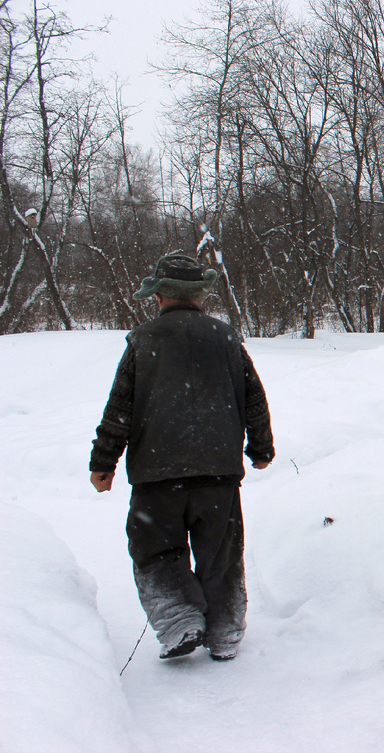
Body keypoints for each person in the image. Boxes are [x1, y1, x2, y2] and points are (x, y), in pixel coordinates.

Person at [89, 252, 274, 662]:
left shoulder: (142, 341)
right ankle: (224, 632)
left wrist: (103, 462)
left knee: (156, 552)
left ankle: (179, 620)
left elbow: (119, 408)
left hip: (157, 478)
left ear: (159, 296)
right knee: (221, 555)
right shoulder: (227, 338)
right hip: (218, 476)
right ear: (199, 296)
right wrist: (260, 449)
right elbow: (254, 400)